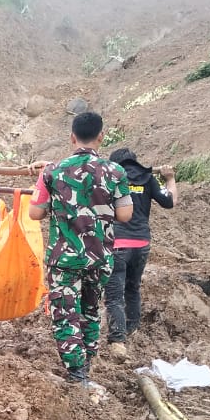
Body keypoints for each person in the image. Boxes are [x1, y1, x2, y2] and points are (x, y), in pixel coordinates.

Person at [28, 112, 133, 392]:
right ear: (101, 136)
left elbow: (35, 212)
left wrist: (50, 193)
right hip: (99, 256)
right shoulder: (116, 172)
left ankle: (76, 373)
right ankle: (86, 366)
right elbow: (125, 214)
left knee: (65, 312)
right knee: (90, 310)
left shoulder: (52, 171)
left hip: (64, 258)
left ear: (72, 137)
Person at [104, 147, 177, 358]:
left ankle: (118, 340)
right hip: (142, 244)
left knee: (114, 296)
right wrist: (170, 179)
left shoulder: (112, 179)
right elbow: (170, 201)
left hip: (117, 243)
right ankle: (132, 328)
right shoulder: (147, 179)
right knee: (133, 288)